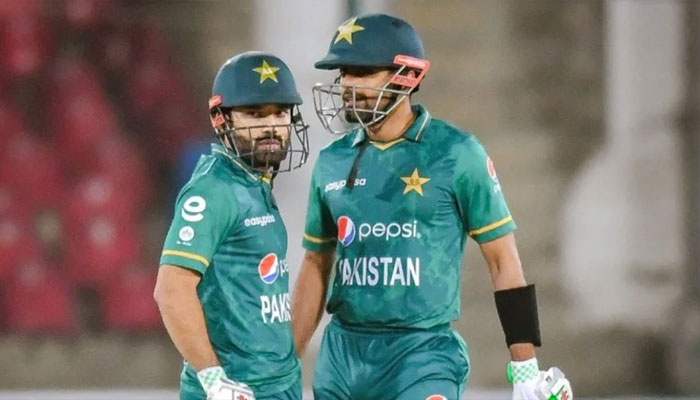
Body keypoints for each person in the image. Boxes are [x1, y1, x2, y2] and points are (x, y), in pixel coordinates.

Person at [293, 13, 572, 400]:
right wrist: (286, 365)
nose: (346, 85)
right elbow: (315, 265)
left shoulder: (456, 153)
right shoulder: (331, 161)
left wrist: (525, 367)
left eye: (362, 72)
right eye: (344, 73)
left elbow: (502, 260)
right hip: (343, 357)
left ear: (405, 76)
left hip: (422, 355)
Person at [154, 51, 309, 400]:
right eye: (255, 114)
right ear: (222, 120)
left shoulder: (254, 183)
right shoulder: (214, 190)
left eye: (280, 113)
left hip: (278, 384)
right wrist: (212, 379)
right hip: (236, 390)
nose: (271, 126)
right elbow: (172, 289)